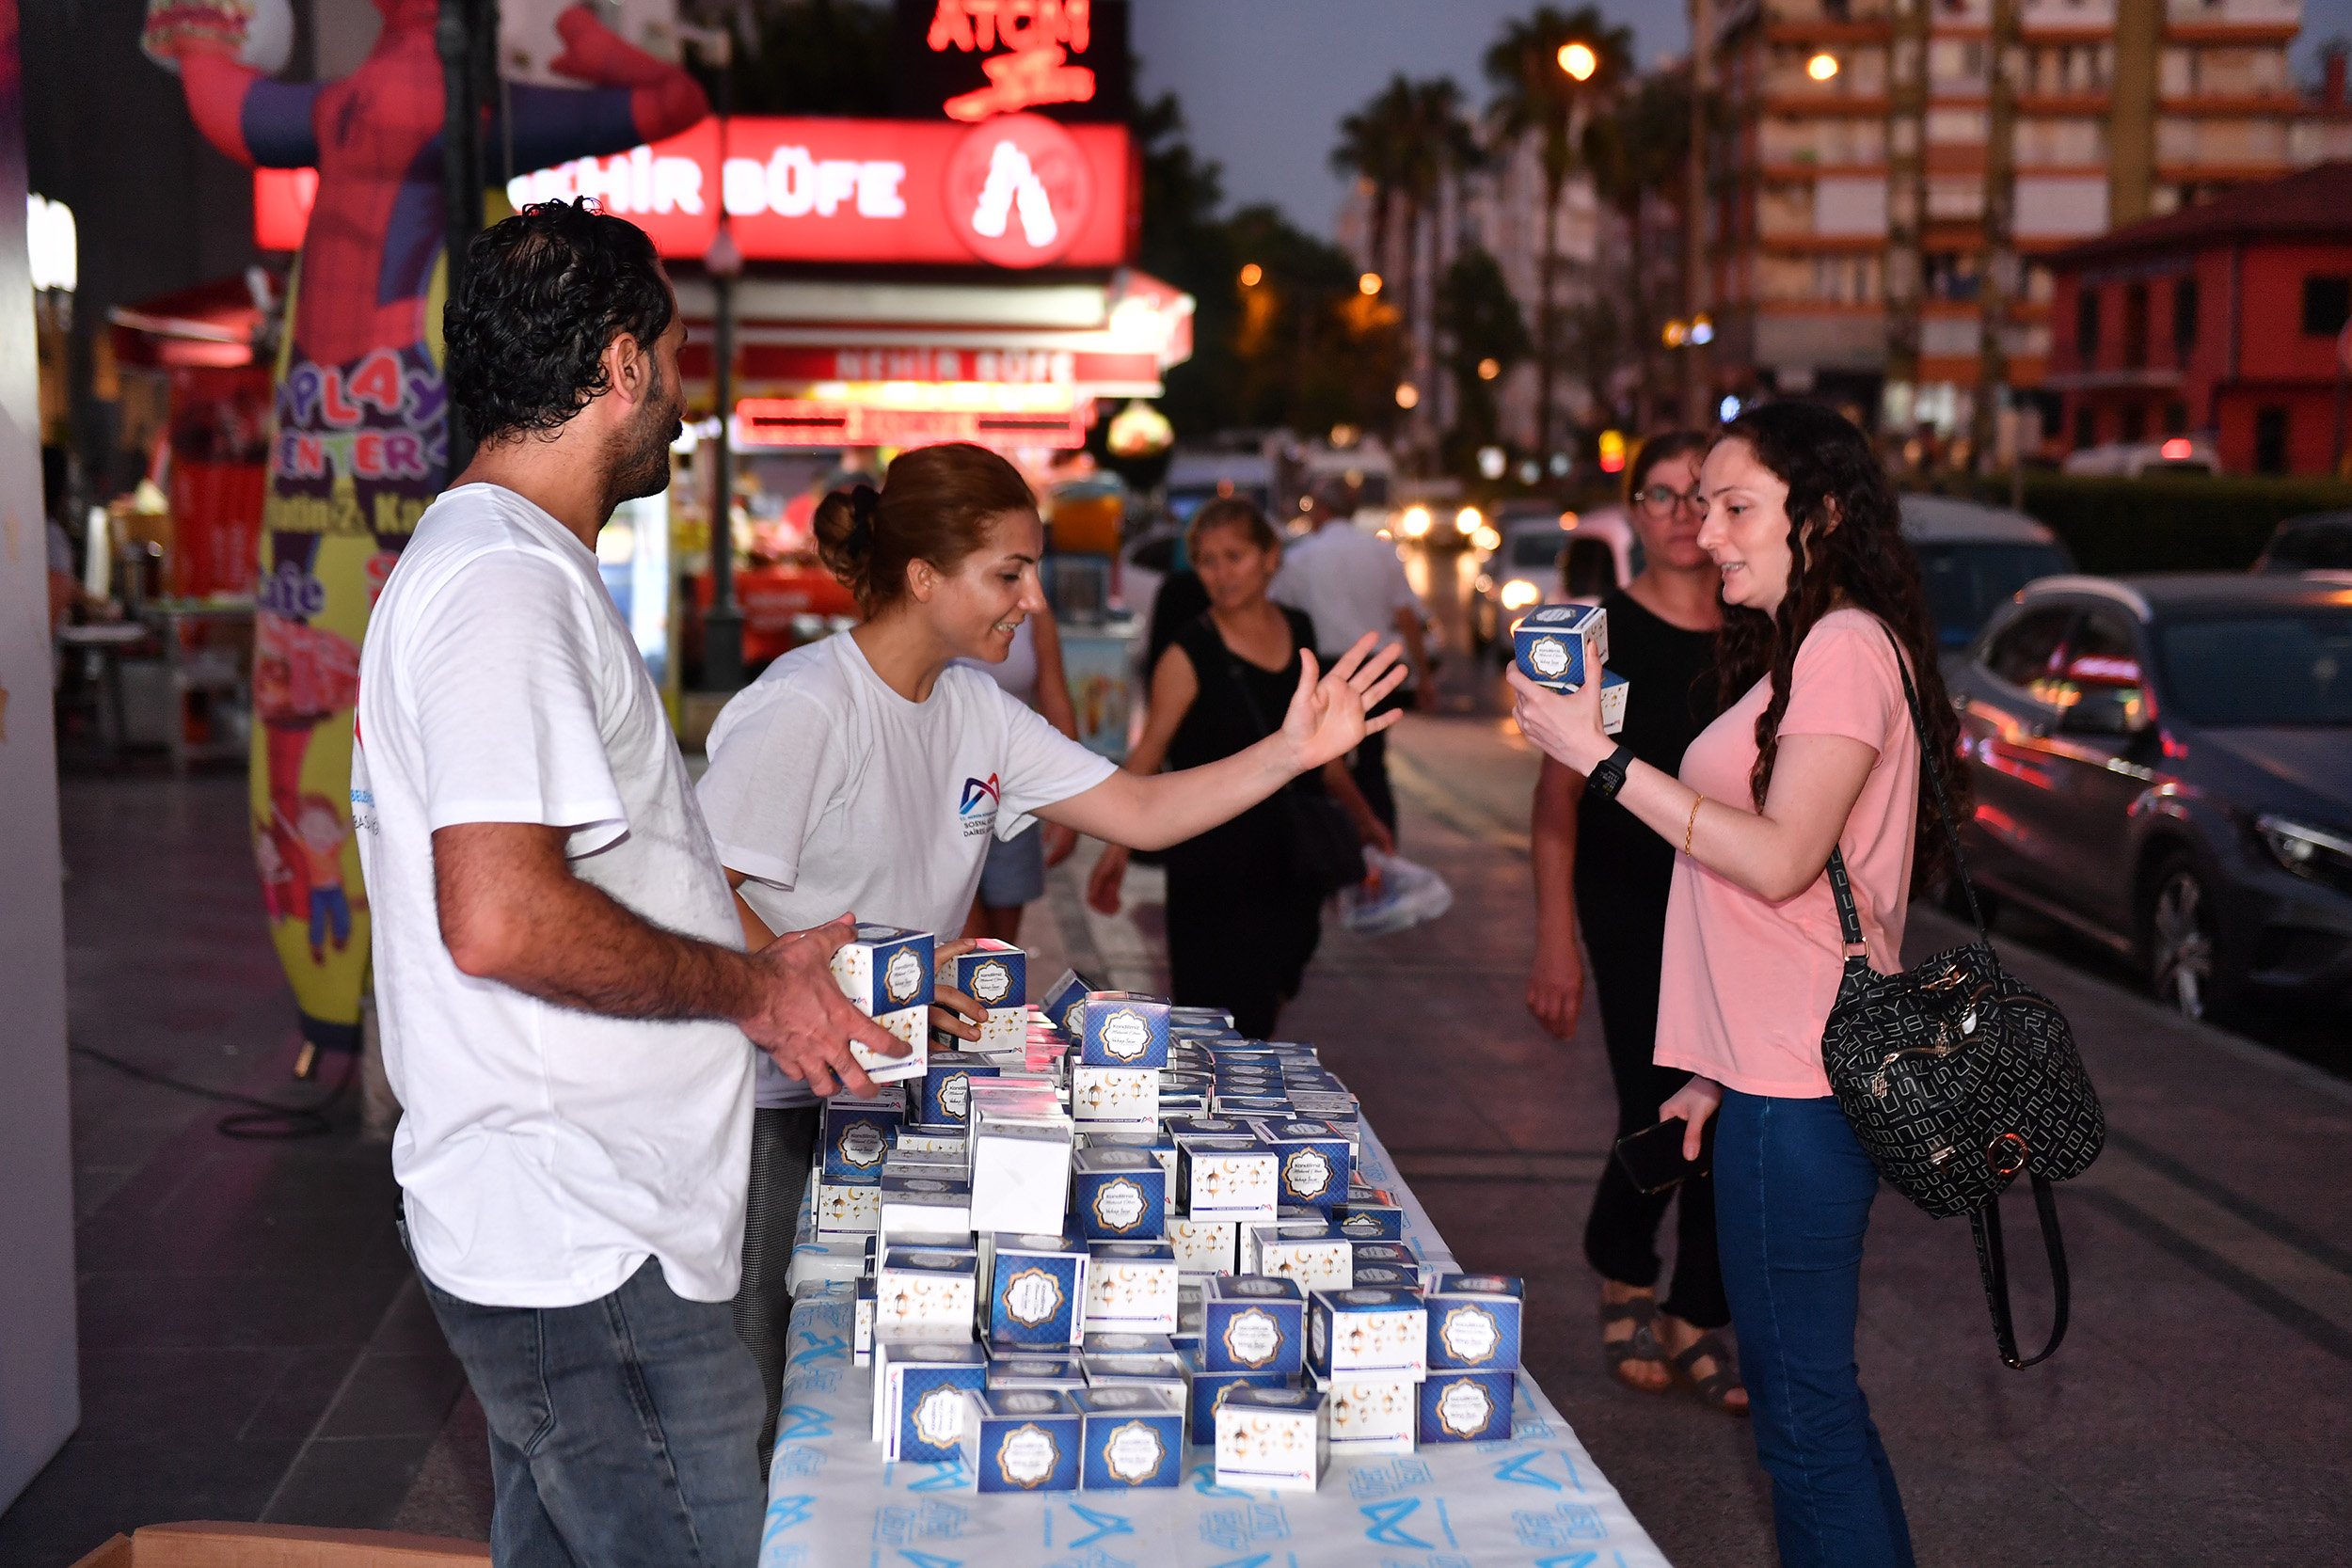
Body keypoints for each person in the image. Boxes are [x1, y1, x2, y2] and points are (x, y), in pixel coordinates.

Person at [353, 199, 907, 1568]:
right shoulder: (502, 586)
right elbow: (501, 913)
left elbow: (567, 878)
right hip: (581, 1243)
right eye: (668, 358)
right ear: (616, 366)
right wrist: (753, 989)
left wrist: (752, 944)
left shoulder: (501, 565)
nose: (680, 394)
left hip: (579, 1231)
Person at [695, 447, 1404, 1463]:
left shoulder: (975, 708)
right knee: (754, 1403)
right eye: (1008, 571)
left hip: (898, 1102)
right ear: (925, 574)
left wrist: (1292, 750)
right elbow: (698, 893)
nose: (1031, 599)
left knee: (880, 1403)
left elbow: (1142, 809)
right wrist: (841, 983)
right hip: (771, 1114)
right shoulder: (808, 703)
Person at [1510, 402, 1964, 1567]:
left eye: (1734, 505)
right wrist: (1709, 1070)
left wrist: (1601, 762)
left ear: (1814, 516)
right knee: (1804, 1408)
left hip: (1804, 1094)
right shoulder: (1806, 645)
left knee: (1804, 1416)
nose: (1705, 530)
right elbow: (1802, 904)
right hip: (1767, 1074)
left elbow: (1779, 859)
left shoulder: (1843, 648)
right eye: (1698, 503)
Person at [1525, 432, 1745, 1414]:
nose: (1678, 513)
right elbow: (1555, 803)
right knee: (1657, 1101)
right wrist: (1551, 937)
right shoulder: (1598, 635)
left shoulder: (1759, 628)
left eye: (1695, 494)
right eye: (1655, 496)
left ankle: (1698, 1307)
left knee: (1736, 1111)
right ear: (1631, 511)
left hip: (1742, 901)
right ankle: (1622, 1259)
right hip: (1632, 904)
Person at [1088, 499, 1397, 1036]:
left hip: (1290, 861)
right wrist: (1115, 846)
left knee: (1272, 999)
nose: (1220, 572)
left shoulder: (1300, 630)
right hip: (1212, 862)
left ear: (1270, 557)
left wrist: (1363, 818)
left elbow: (1320, 753)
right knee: (1212, 1018)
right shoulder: (1190, 652)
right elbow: (1148, 750)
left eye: (1234, 556)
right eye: (1206, 560)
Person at [1269, 492, 1436, 838]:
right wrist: (1422, 676)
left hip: (1327, 667)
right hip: (1376, 666)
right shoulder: (1382, 552)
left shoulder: (1301, 557)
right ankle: (1383, 837)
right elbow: (1406, 616)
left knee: (1327, 762)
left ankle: (1339, 840)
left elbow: (1279, 613)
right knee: (1373, 760)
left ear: (1324, 510)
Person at [960, 611, 1082, 942]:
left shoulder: (1033, 610)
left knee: (997, 961)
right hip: (937, 797)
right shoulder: (931, 596)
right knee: (966, 947)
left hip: (1010, 791)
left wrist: (1071, 801)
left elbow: (1056, 698)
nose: (1034, 591)